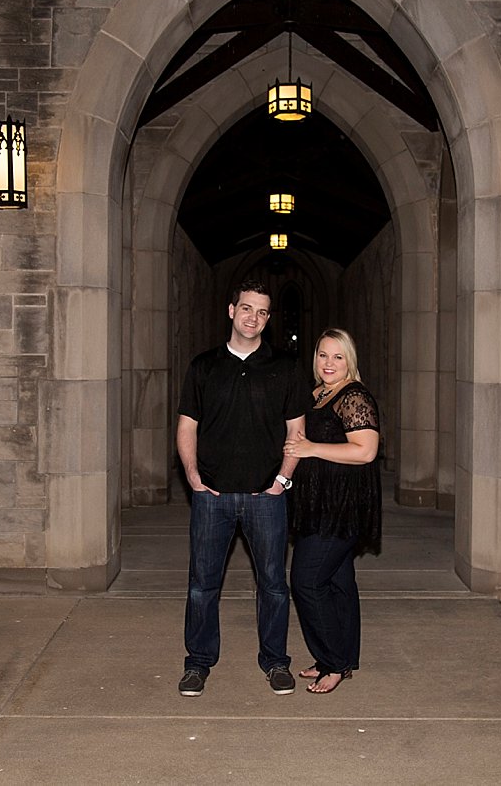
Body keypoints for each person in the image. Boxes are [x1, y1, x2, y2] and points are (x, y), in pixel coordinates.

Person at [175, 279, 310, 697]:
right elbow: (187, 426)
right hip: (211, 496)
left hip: (265, 498)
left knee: (273, 585)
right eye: (247, 308)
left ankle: (276, 661)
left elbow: (297, 431)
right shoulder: (204, 366)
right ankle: (198, 663)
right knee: (202, 585)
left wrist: (282, 480)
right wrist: (193, 477)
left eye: (262, 312)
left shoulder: (286, 367)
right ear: (231, 310)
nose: (254, 317)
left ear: (268, 319)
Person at [283, 328, 381, 694]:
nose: (329, 363)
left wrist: (311, 448)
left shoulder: (354, 396)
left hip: (340, 507)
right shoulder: (318, 393)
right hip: (319, 503)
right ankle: (341, 658)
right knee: (339, 583)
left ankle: (334, 661)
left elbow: (365, 451)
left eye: (338, 356)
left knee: (306, 581)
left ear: (349, 361)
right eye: (323, 355)